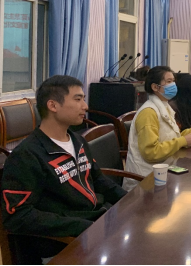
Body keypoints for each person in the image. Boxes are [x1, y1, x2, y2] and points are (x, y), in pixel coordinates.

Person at [1, 76, 127, 262]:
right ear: (53, 105)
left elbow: (98, 179)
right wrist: (81, 227)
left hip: (97, 221)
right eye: (78, 99)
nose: (85, 106)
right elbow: (18, 216)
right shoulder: (27, 155)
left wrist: (130, 200)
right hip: (67, 240)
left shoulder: (77, 141)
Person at [124, 67, 191, 190]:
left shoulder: (164, 106)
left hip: (164, 171)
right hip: (145, 181)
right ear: (155, 87)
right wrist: (184, 141)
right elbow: (151, 152)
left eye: (173, 81)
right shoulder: (149, 112)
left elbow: (173, 135)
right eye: (169, 81)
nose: (173, 85)